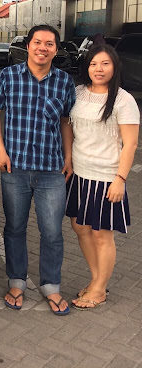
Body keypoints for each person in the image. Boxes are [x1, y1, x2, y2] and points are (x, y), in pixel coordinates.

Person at [0, 24, 75, 315]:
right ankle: (17, 282)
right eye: (38, 42)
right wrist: (0, 151)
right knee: (15, 228)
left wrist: (68, 157)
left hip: (52, 170)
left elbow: (65, 122)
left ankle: (51, 285)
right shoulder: (9, 76)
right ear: (28, 46)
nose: (42, 48)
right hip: (16, 168)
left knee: (52, 233)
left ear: (56, 50)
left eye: (49, 44)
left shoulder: (64, 81)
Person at [66, 44, 139, 310]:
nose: (99, 69)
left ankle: (98, 289)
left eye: (105, 63)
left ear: (114, 67)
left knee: (101, 235)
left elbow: (130, 144)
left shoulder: (123, 100)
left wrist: (121, 179)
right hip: (79, 174)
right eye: (94, 63)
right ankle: (97, 280)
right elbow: (68, 127)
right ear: (87, 67)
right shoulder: (78, 93)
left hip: (107, 177)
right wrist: (68, 160)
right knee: (80, 228)